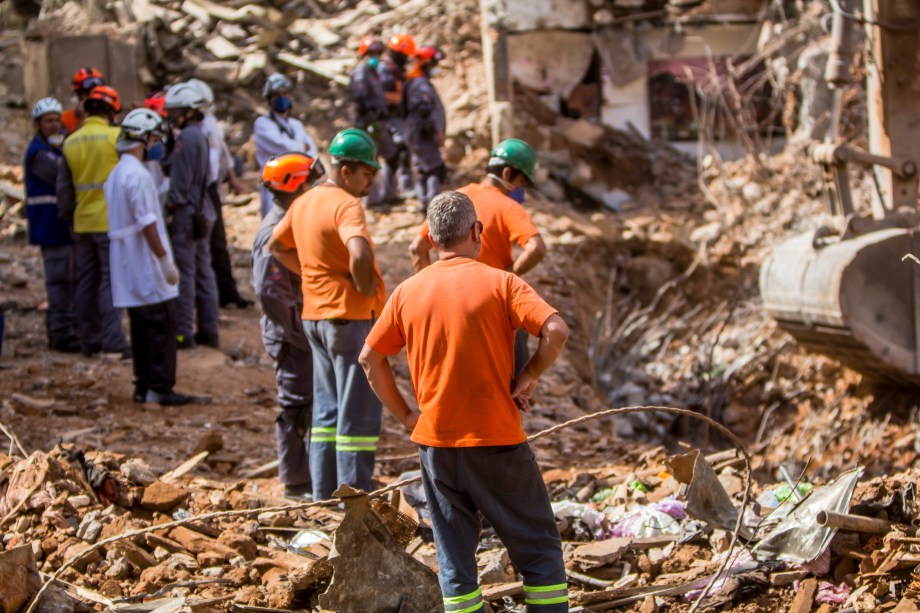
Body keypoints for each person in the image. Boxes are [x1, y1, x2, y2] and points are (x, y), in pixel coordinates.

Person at [360, 191, 570, 613]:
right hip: (497, 441)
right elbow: (556, 330)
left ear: (434, 239)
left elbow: (370, 358)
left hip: (437, 446)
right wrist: (528, 377)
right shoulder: (502, 282)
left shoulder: (407, 292)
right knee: (539, 553)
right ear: (476, 232)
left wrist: (405, 415)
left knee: (455, 561)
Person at [267, 128, 386, 501]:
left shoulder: (303, 202)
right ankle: (354, 502)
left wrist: (311, 272)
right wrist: (364, 286)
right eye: (367, 175)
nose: (369, 184)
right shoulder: (346, 204)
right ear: (347, 171)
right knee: (358, 416)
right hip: (348, 318)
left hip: (316, 319)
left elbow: (276, 245)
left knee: (326, 413)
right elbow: (360, 253)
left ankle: (324, 496)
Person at [410, 138, 547, 377]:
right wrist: (508, 274)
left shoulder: (454, 199)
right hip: (492, 307)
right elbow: (537, 248)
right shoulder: (508, 207)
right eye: (522, 180)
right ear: (507, 173)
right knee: (509, 383)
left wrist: (428, 290)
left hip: (449, 306)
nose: (521, 188)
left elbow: (417, 248)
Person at [104, 108, 193, 406]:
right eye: (154, 138)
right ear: (143, 139)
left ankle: (142, 385)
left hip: (126, 263)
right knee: (160, 325)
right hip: (144, 261)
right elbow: (147, 223)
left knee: (140, 327)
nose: (157, 144)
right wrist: (164, 260)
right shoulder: (138, 176)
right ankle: (160, 387)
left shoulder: (117, 173)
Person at [253, 152, 326, 499]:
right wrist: (300, 334)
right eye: (310, 182)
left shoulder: (292, 221)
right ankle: (296, 482)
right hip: (290, 335)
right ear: (296, 186)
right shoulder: (273, 233)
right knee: (296, 405)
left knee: (310, 403)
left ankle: (309, 474)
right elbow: (270, 293)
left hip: (297, 329)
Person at [57, 85, 131, 358]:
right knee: (110, 282)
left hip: (82, 223)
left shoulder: (71, 141)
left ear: (86, 111)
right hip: (112, 222)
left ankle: (89, 340)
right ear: (112, 112)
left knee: (85, 282)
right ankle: (113, 341)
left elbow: (64, 191)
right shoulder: (118, 138)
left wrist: (70, 219)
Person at [162, 81, 220, 350]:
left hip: (187, 213)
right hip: (203, 210)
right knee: (204, 271)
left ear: (187, 112)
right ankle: (209, 330)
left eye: (175, 112)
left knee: (185, 273)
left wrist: (170, 210)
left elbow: (179, 182)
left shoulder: (186, 138)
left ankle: (183, 332)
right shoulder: (201, 135)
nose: (171, 118)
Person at [185, 78, 251, 309]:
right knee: (204, 244)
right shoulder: (194, 130)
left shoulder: (208, 124)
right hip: (201, 188)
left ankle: (225, 292)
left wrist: (230, 176)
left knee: (215, 242)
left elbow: (220, 153)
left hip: (207, 188)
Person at [24, 97, 79, 353]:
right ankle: (60, 334)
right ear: (38, 124)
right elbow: (65, 175)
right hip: (50, 228)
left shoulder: (56, 149)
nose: (55, 125)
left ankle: (70, 329)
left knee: (72, 280)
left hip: (62, 228)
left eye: (57, 120)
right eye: (49, 121)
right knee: (59, 282)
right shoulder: (39, 155)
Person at [254, 73, 318, 217]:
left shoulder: (296, 125)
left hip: (298, 185)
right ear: (269, 98)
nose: (282, 97)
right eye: (277, 94)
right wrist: (301, 148)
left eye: (285, 93)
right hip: (274, 187)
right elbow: (284, 148)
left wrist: (299, 149)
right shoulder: (262, 124)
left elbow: (311, 151)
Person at [348, 36, 395, 208]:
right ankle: (372, 200)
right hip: (368, 123)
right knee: (369, 162)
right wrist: (370, 119)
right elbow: (360, 99)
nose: (375, 56)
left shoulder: (373, 73)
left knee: (390, 155)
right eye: (372, 53)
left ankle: (388, 194)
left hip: (379, 121)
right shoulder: (360, 73)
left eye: (378, 53)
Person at [403, 46, 447, 214]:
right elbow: (423, 109)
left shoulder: (418, 81)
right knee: (436, 169)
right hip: (422, 134)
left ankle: (425, 205)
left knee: (422, 169)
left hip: (417, 133)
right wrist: (435, 131)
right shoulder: (420, 83)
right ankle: (433, 208)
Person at [377, 33, 417, 202]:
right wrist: (402, 99)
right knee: (396, 153)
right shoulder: (385, 69)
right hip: (389, 117)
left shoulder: (395, 69)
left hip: (398, 117)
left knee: (398, 153)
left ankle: (392, 192)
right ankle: (394, 190)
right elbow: (382, 95)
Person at [61, 67, 105, 135]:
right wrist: (82, 119)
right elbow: (69, 144)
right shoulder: (65, 118)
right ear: (79, 95)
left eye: (98, 93)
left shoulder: (109, 115)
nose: (94, 98)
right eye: (89, 93)